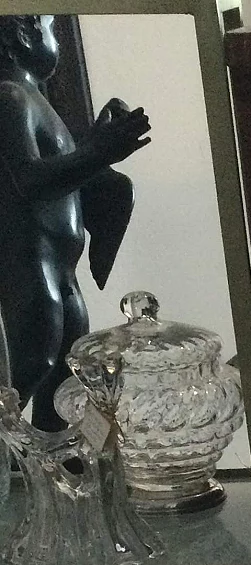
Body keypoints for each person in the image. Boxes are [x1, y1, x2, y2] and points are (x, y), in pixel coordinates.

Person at [0, 15, 149, 431]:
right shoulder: (10, 98)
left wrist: (98, 151)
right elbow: (28, 180)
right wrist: (99, 152)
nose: (57, 43)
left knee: (67, 376)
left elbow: (66, 175)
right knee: (30, 366)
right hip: (32, 263)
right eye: (49, 28)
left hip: (63, 269)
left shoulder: (36, 100)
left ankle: (51, 471)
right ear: (22, 33)